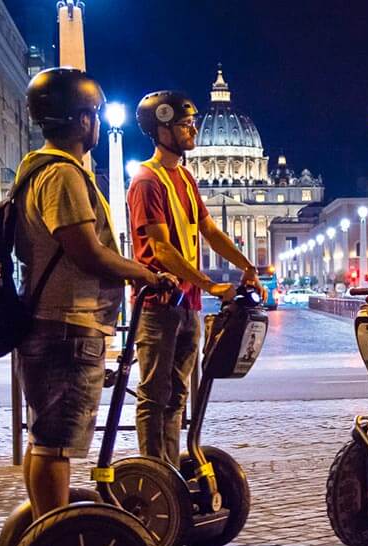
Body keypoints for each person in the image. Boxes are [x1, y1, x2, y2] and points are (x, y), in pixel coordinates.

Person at [16, 68, 165, 518]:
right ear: (81, 120)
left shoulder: (34, 169)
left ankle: (44, 527)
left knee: (44, 440)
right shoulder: (61, 175)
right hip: (69, 323)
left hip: (51, 320)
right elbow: (88, 251)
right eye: (95, 114)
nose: (98, 123)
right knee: (55, 445)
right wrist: (143, 273)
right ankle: (52, 537)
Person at [129, 90, 262, 466]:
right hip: (159, 304)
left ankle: (169, 469)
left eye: (192, 124)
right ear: (163, 129)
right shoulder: (146, 180)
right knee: (155, 395)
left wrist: (245, 265)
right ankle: (154, 474)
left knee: (178, 394)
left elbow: (209, 230)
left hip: (187, 303)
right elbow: (161, 250)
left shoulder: (185, 178)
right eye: (186, 126)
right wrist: (212, 284)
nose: (193, 131)